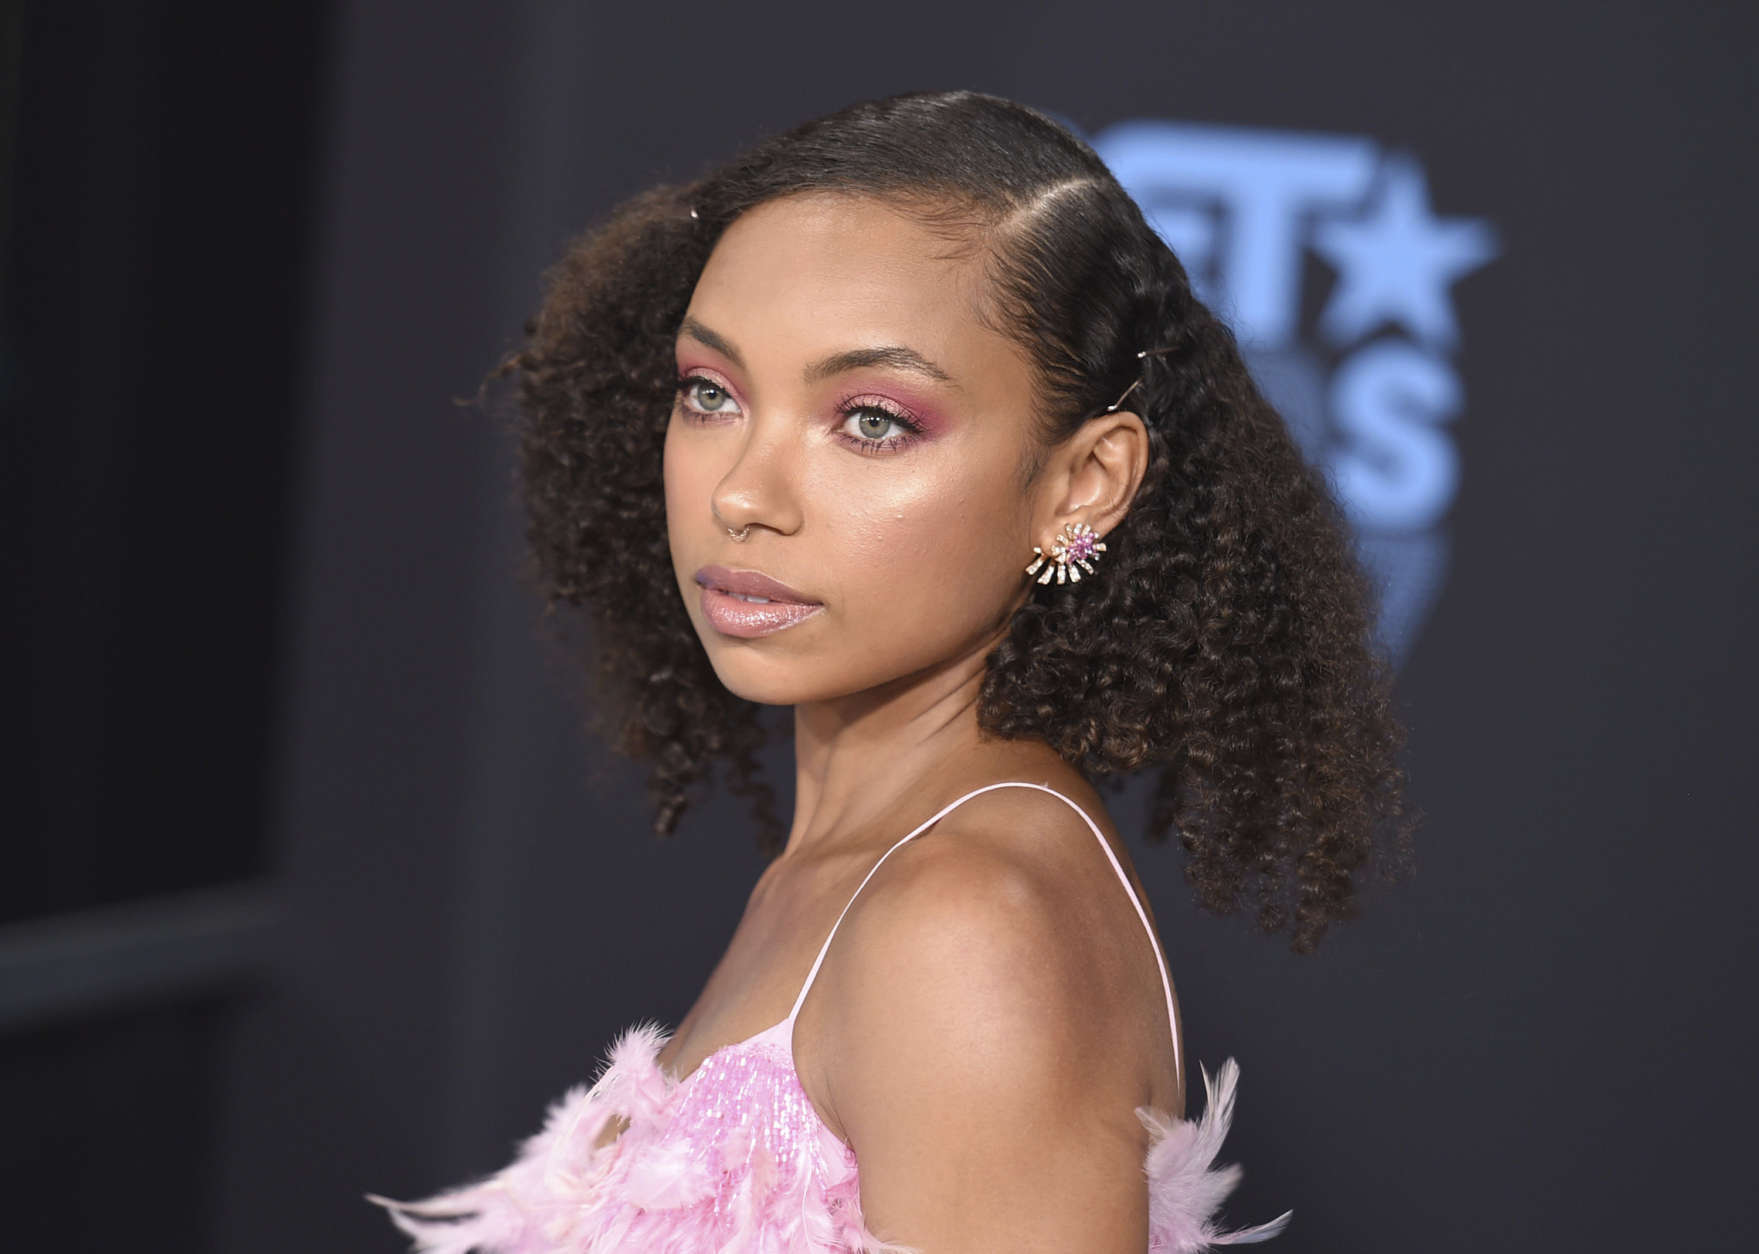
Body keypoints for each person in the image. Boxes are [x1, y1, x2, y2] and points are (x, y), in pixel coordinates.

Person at [370, 89, 1415, 1253]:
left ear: (1083, 484)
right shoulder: (867, 865)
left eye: (870, 421)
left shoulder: (963, 926)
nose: (741, 496)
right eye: (710, 393)